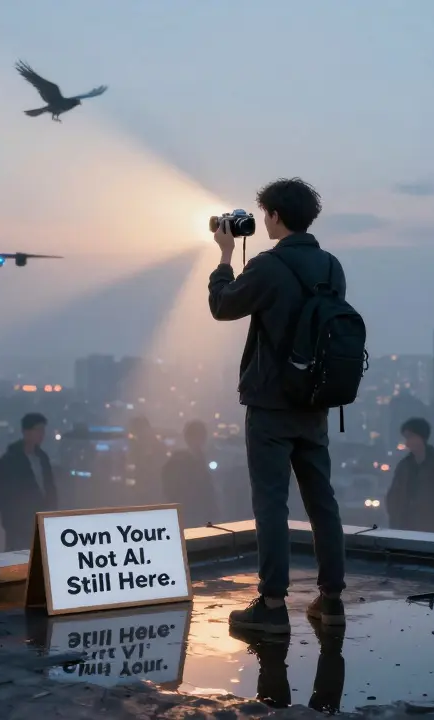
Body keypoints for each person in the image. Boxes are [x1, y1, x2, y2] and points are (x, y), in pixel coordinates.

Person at [208, 177, 348, 633]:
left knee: (271, 503)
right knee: (321, 499)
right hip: (316, 401)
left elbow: (222, 307)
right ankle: (331, 600)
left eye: (264, 213)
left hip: (270, 404)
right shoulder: (331, 266)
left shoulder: (268, 266)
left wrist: (226, 257)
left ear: (273, 215)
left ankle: (271, 605)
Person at [0, 413, 59, 551]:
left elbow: (50, 488)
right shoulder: (9, 461)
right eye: (38, 430)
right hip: (19, 528)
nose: (41, 434)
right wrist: (13, 517)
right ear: (26, 431)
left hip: (43, 523)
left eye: (43, 430)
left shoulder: (42, 458)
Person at [385, 418, 434, 533]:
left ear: (421, 437)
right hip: (405, 529)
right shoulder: (405, 465)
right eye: (406, 438)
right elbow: (394, 495)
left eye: (410, 437)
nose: (407, 443)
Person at [161, 420, 220, 527]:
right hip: (187, 514)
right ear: (188, 438)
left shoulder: (202, 458)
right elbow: (171, 490)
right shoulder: (177, 461)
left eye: (202, 436)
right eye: (198, 436)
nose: (201, 440)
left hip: (202, 513)